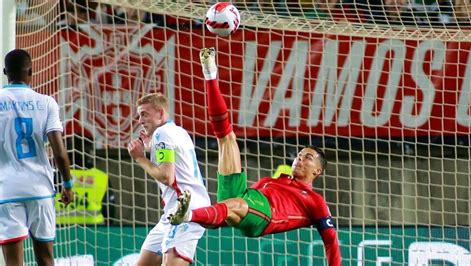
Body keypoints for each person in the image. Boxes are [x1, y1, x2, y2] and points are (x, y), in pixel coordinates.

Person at [169, 48, 342, 265]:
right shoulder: (277, 180)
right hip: (246, 197)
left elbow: (331, 240)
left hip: (266, 215)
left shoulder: (315, 201)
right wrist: (212, 219)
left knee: (234, 205)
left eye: (307, 157)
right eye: (299, 155)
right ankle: (210, 74)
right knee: (227, 139)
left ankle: (188, 215)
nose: (299, 159)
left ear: (317, 171)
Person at [0, 49, 74, 266]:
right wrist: (67, 184)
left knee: (13, 263)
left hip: (7, 190)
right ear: (31, 71)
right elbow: (59, 151)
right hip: (40, 189)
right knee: (46, 259)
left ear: (5, 72)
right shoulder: (46, 102)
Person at [127, 93, 211, 265]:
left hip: (186, 209)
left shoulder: (162, 134)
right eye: (139, 115)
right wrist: (151, 148)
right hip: (173, 212)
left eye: (145, 114)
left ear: (160, 112)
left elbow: (166, 176)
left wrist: (139, 158)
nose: (140, 120)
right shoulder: (178, 131)